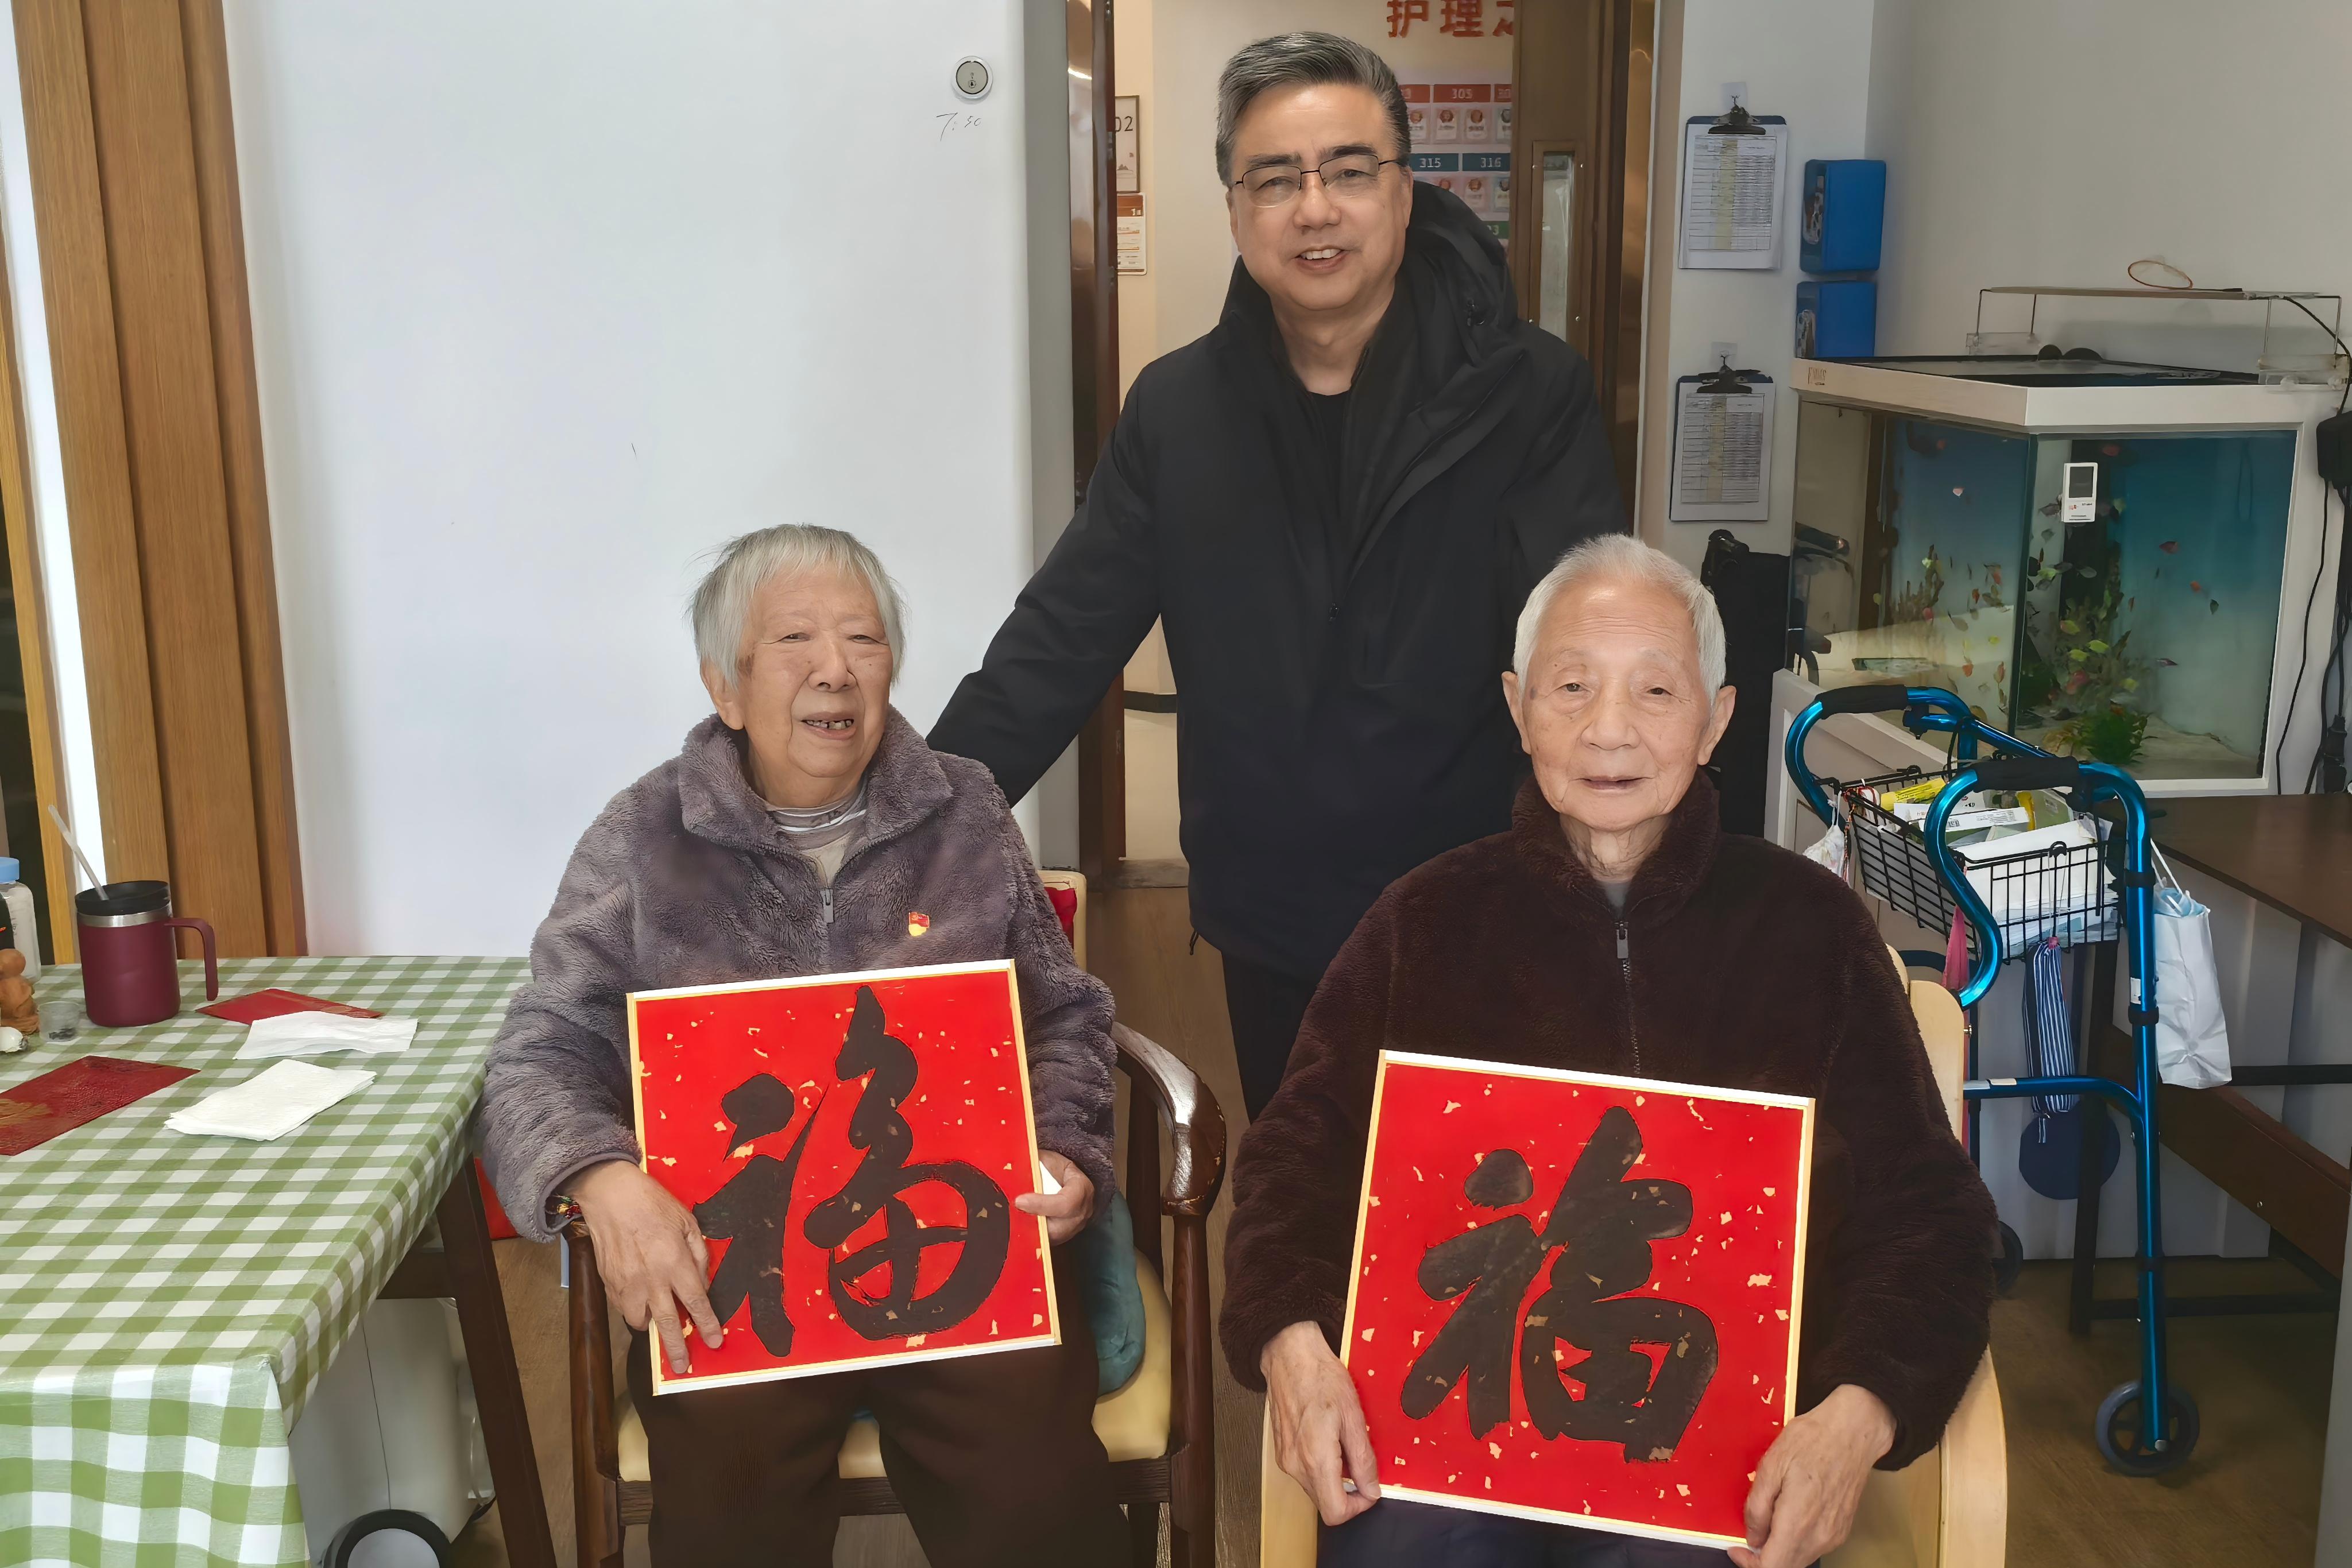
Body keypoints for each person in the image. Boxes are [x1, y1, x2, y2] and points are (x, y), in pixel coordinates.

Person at [1220, 535, 1998, 1567]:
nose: (1610, 729)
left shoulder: (1813, 929)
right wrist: (1292, 1338)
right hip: (1459, 1432)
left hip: (1720, 1445)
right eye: (1573, 686)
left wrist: (1858, 1415)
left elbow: (1933, 1214)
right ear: (1518, 709)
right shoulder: (1423, 921)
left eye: (1657, 690)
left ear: (1717, 719)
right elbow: (1291, 1165)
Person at [931, 32, 1624, 1120]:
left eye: (1349, 170)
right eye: (1274, 179)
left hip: (1483, 908)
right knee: (1304, 1184)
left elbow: (1585, 654)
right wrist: (911, 825)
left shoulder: (1531, 396)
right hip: (1272, 918)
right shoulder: (1179, 413)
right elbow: (1059, 639)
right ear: (1235, 210)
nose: (1314, 209)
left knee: (1474, 1206)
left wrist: (1618, 877)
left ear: (1403, 192)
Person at [481, 525, 1127, 1568]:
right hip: (739, 1268)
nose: (836, 669)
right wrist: (599, 1179)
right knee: (730, 1498)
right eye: (795, 639)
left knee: (1036, 1488)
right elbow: (544, 1049)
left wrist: (1065, 1148)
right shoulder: (643, 834)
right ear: (724, 687)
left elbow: (1064, 1015)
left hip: (949, 1251)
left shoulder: (965, 810)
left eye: (864, 639)